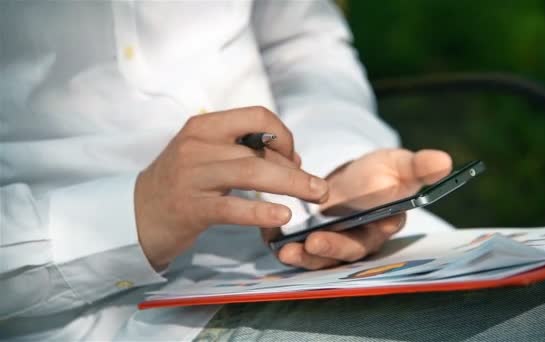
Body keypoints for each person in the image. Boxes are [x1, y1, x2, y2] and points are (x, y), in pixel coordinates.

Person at [1, 1, 453, 340]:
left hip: (314, 243)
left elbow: (298, 40)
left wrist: (335, 162)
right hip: (107, 316)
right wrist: (128, 220)